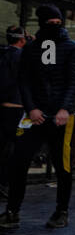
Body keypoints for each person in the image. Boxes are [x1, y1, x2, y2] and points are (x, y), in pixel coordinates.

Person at [1, 5, 75, 228]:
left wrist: (65, 109)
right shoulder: (33, 49)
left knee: (62, 165)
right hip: (36, 114)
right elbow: (24, 80)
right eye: (51, 22)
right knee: (19, 161)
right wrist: (32, 108)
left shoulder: (70, 48)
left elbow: (73, 81)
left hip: (61, 116)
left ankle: (61, 211)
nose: (55, 25)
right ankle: (12, 210)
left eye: (57, 22)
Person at [0, 25, 27, 202]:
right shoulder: (21, 57)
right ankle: (6, 183)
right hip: (16, 108)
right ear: (22, 39)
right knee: (14, 150)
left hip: (2, 107)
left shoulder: (2, 54)